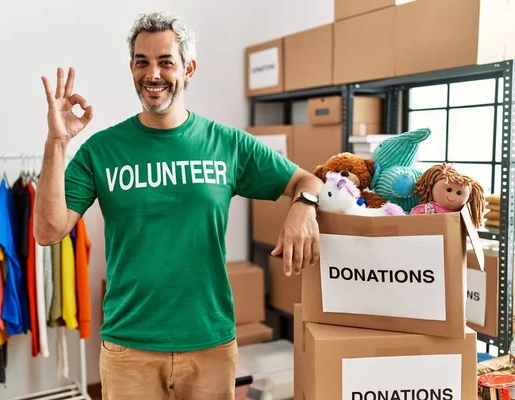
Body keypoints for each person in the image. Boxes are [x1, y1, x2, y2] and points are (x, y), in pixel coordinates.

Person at [33, 10, 322, 400]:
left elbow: (308, 180)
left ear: (188, 69)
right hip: (128, 347)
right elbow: (48, 231)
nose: (152, 74)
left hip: (210, 344)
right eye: (142, 62)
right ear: (132, 68)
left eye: (165, 61)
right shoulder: (102, 150)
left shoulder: (227, 144)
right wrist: (57, 143)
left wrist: (303, 205)